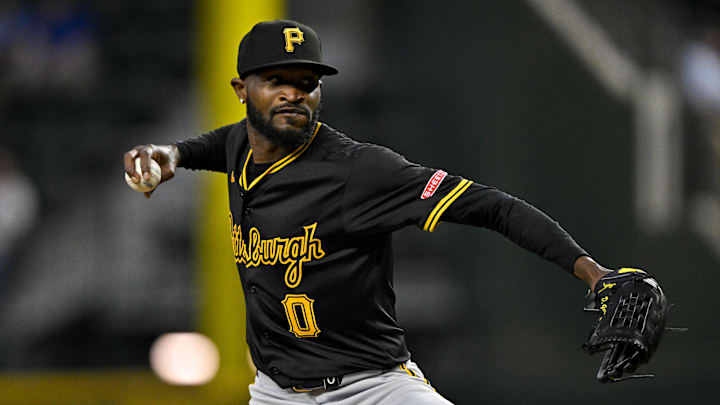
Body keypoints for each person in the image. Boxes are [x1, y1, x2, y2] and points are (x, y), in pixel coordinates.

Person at [124, 20, 612, 405]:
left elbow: (492, 206)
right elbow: (215, 144)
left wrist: (592, 272)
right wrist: (171, 154)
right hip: (276, 391)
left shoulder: (360, 170)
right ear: (241, 90)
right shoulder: (239, 145)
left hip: (371, 387)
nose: (294, 93)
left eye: (307, 82)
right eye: (277, 80)